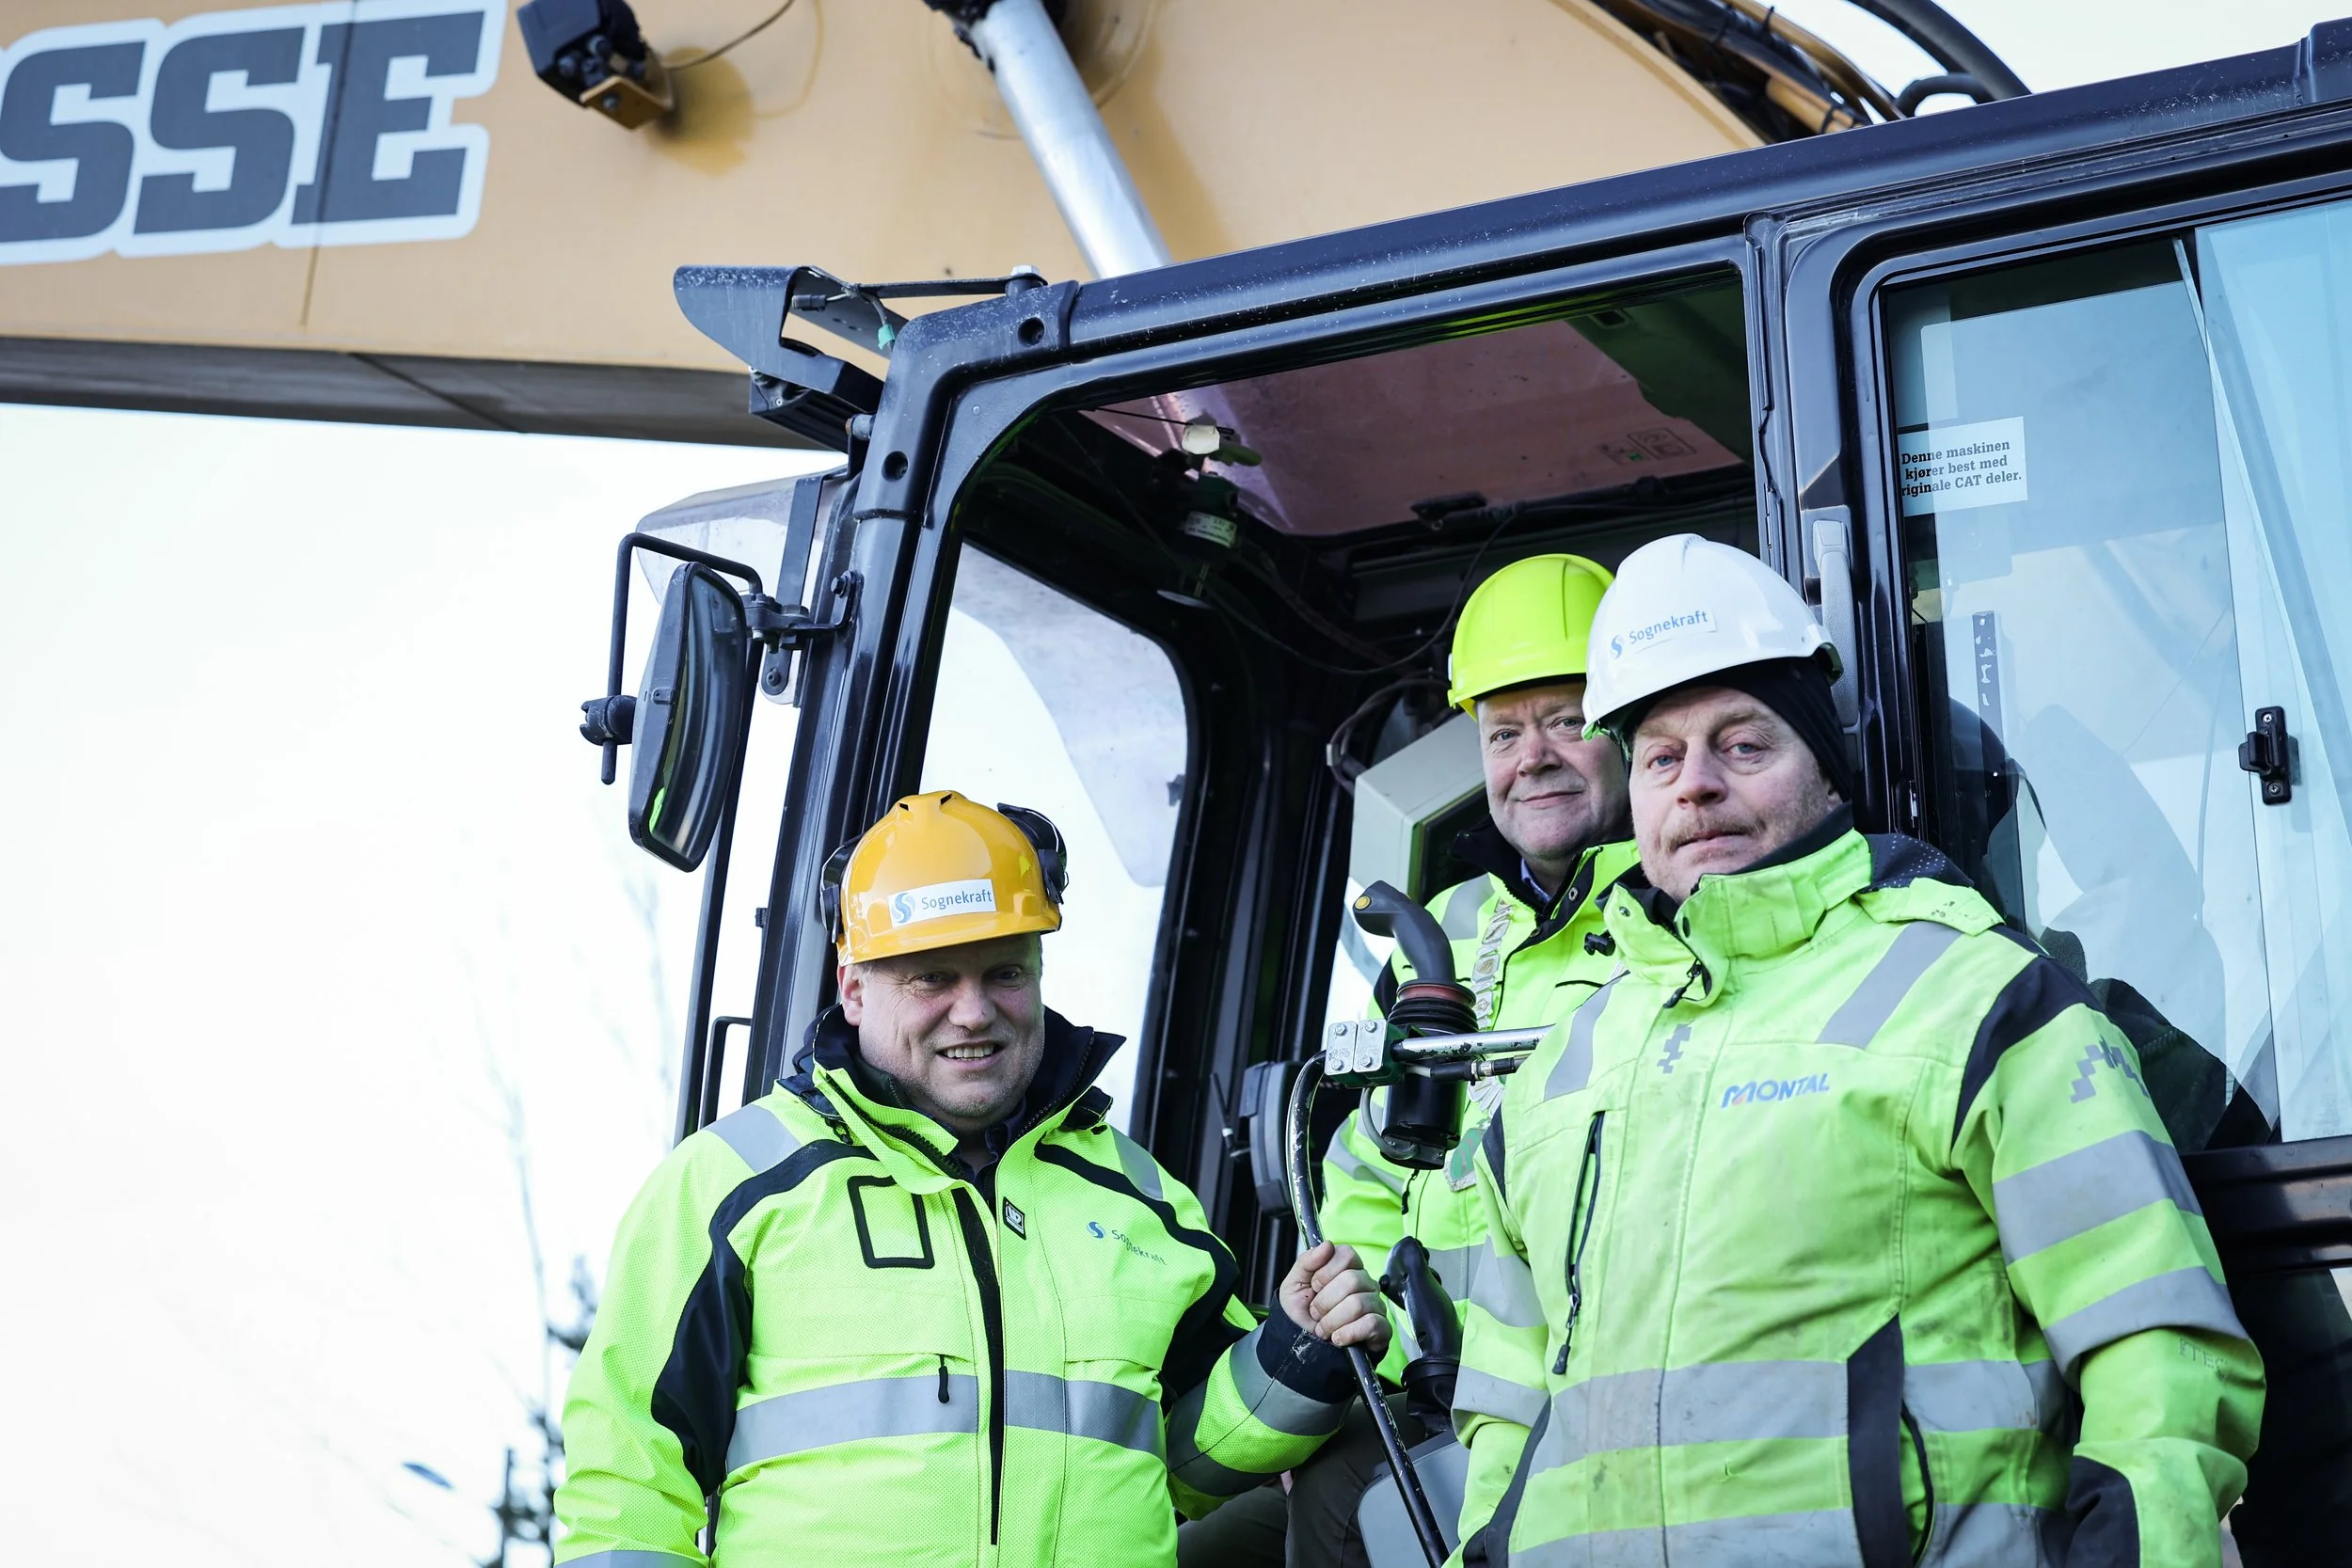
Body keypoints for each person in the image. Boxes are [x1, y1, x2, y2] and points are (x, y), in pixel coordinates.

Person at [1453, 535, 2264, 1567]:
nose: (1694, 786)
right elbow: (1502, 1421)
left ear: (1827, 778)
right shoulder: (1563, 1065)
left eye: (1743, 745)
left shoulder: (1974, 999)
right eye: (1661, 757)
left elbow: (2156, 1341)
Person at [553, 790, 1391, 1567]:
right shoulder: (736, 1183)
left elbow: (1185, 1463)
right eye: (932, 976)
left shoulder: (1137, 1197)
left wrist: (1297, 1349)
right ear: (853, 987)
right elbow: (626, 1483)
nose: (973, 1010)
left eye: (1004, 972)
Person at [1180, 554, 1639, 1568]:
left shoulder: (1679, 916)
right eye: (1503, 731)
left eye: (1565, 718)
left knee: (1343, 1513)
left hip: (1583, 1409)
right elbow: (1367, 1178)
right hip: (1427, 1397)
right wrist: (1357, 1333)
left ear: (1629, 723)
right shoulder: (1448, 929)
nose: (1534, 756)